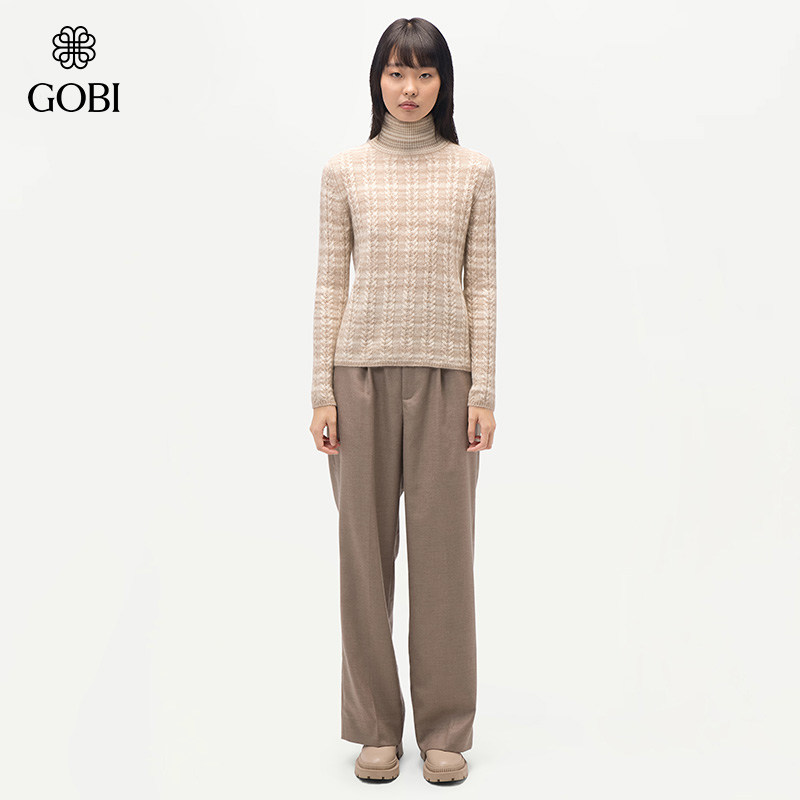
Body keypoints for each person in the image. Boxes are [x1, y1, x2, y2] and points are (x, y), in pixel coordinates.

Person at [308, 17, 497, 784]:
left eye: (423, 73)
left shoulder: (473, 171)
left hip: (448, 379)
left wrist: (484, 389)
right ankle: (375, 729)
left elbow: (482, 286)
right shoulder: (345, 170)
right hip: (358, 378)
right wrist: (321, 391)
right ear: (377, 80)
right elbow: (330, 282)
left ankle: (446, 730)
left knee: (444, 561)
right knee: (363, 558)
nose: (409, 88)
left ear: (442, 82)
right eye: (396, 72)